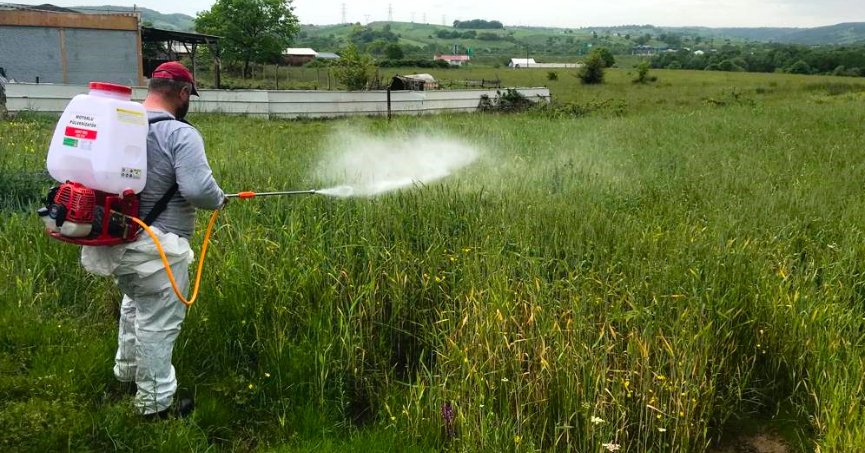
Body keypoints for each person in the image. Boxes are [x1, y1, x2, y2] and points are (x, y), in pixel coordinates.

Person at [81, 61, 226, 419]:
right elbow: (197, 190)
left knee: (134, 304)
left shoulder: (121, 123)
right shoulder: (180, 133)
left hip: (115, 236)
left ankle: (126, 373)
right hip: (157, 245)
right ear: (181, 94)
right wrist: (218, 198)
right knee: (159, 321)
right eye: (188, 95)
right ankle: (155, 405)